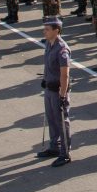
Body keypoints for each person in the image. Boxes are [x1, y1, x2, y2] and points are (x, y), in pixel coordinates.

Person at [39, 15, 71, 167]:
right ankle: (54, 146)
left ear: (56, 30)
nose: (44, 32)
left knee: (61, 122)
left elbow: (65, 74)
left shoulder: (62, 48)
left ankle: (65, 153)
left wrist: (63, 95)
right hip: (49, 88)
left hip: (58, 90)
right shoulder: (49, 44)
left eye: (47, 29)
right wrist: (45, 79)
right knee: (51, 119)